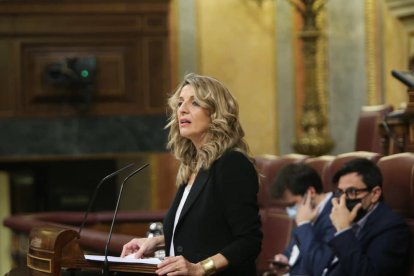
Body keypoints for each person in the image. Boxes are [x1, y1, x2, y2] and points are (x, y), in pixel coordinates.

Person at [121, 73, 262, 275]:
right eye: (179, 103)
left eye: (195, 103)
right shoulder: (193, 166)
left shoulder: (231, 164)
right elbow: (207, 233)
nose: (182, 110)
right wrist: (158, 242)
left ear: (216, 113)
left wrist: (200, 268)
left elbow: (249, 241)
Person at [321, 158, 410, 276]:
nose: (343, 200)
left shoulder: (392, 228)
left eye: (352, 192)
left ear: (375, 194)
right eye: (340, 192)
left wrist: (343, 230)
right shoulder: (342, 216)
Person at [268, 163, 336, 276]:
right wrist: (285, 259)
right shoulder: (306, 214)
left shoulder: (335, 212)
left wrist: (304, 224)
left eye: (292, 204)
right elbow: (293, 250)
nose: (289, 210)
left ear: (311, 192)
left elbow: (319, 265)